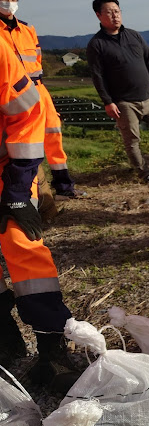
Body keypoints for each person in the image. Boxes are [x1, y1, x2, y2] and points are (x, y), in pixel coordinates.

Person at [0, 38, 79, 392]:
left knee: (24, 249)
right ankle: (5, 339)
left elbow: (29, 111)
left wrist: (17, 192)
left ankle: (52, 349)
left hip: (7, 170)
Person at [86, 0, 149, 182]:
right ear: (98, 15)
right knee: (132, 141)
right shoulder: (96, 44)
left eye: (117, 11)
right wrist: (108, 102)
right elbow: (98, 76)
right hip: (123, 102)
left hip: (147, 98)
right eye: (109, 12)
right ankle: (145, 174)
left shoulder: (134, 35)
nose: (115, 16)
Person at [0, 0, 80, 200]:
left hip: (39, 88)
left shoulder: (27, 29)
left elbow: (37, 60)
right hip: (13, 94)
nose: (9, 3)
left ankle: (64, 186)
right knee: (21, 142)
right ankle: (23, 192)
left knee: (53, 133)